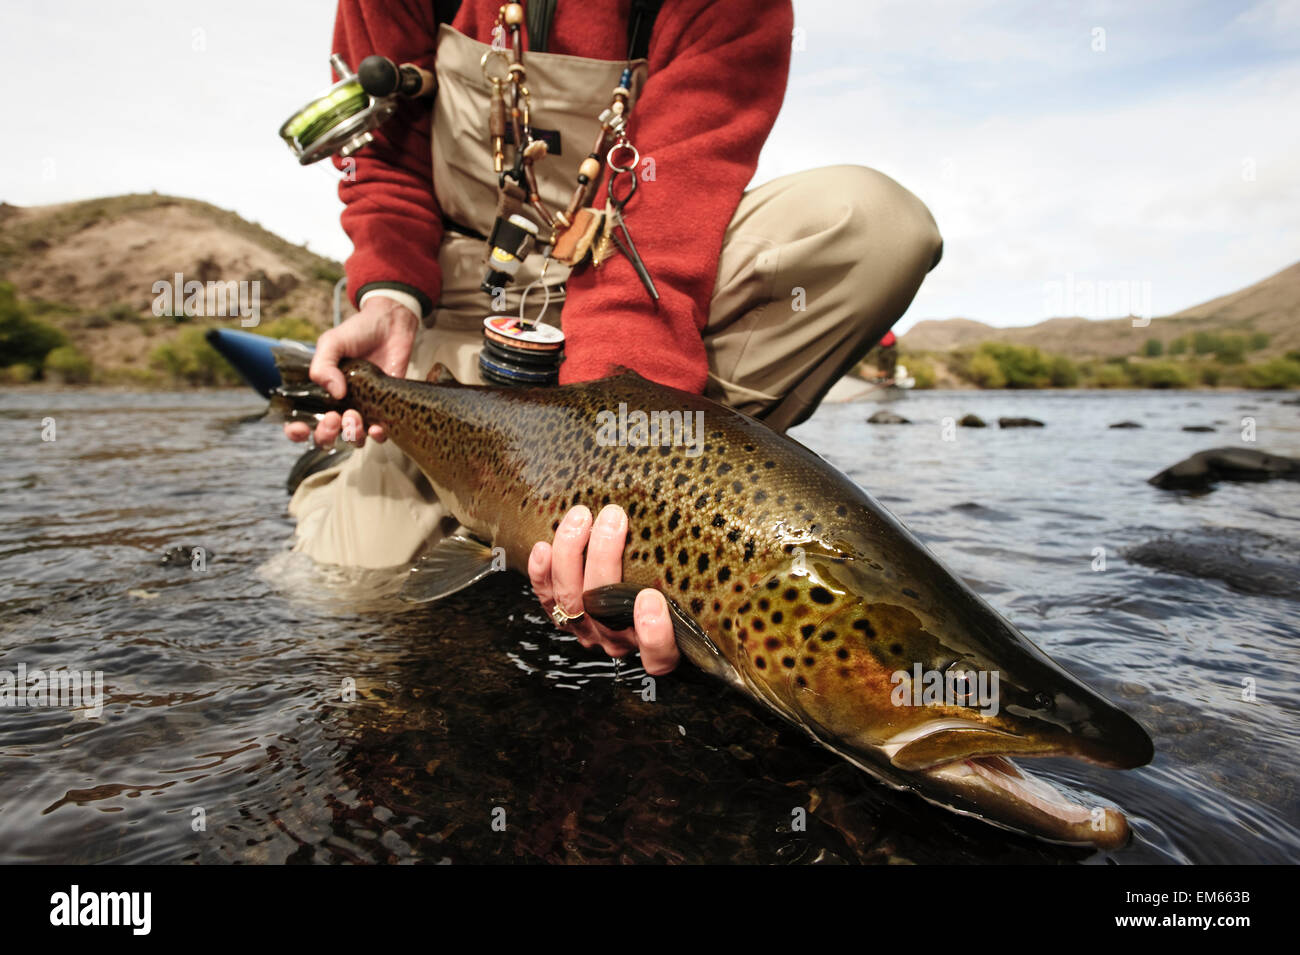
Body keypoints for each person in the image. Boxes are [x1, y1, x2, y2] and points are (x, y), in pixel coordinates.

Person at [284, 0, 943, 675]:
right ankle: (363, 470)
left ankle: (653, 531)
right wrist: (390, 296)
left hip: (641, 285)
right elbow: (384, 167)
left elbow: (668, 208)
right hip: (460, 295)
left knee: (874, 227)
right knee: (343, 595)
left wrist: (608, 473)